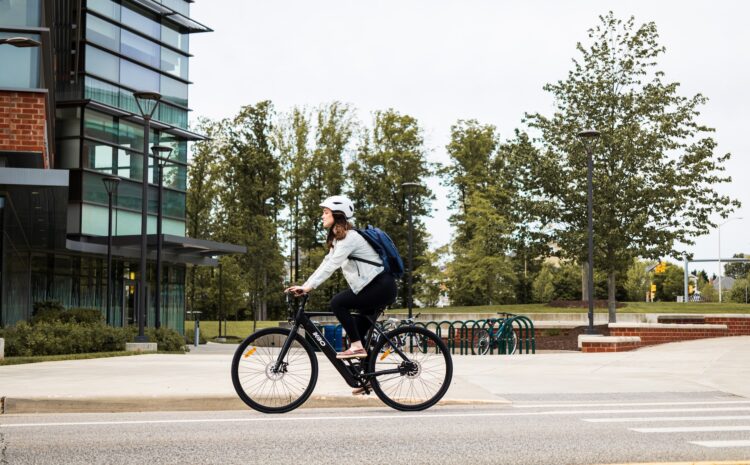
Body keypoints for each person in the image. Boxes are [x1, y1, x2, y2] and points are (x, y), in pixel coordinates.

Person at [285, 195, 398, 362]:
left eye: (325, 212)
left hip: (381, 287)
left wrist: (309, 288)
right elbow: (326, 263)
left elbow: (332, 266)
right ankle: (366, 378)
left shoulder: (349, 238)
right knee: (357, 334)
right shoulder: (340, 240)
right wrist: (306, 285)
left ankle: (357, 346)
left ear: (337, 214)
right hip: (374, 287)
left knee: (337, 303)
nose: (322, 216)